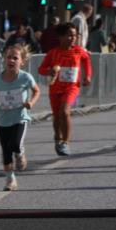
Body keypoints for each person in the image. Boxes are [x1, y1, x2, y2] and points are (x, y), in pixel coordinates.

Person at [0, 43, 40, 191]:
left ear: (22, 61)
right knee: (6, 151)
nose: (11, 60)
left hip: (20, 118)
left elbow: (37, 91)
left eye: (15, 58)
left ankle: (20, 153)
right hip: (3, 120)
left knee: (14, 144)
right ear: (4, 59)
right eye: (9, 57)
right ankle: (10, 180)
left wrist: (31, 102)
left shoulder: (25, 77)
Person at [38, 23, 92, 156]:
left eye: (75, 35)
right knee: (57, 116)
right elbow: (41, 69)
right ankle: (57, 138)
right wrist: (50, 71)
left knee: (65, 111)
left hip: (72, 87)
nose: (73, 38)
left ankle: (66, 143)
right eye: (69, 35)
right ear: (60, 37)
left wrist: (88, 76)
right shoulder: (53, 53)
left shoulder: (79, 50)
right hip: (55, 88)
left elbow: (86, 61)